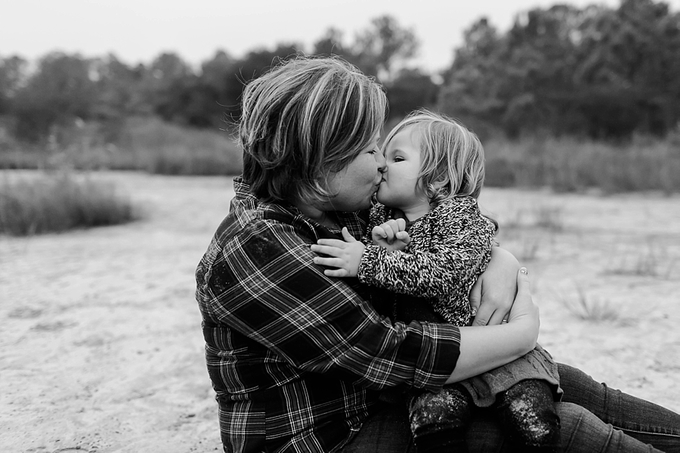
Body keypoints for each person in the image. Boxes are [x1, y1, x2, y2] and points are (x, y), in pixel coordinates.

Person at [194, 55, 680, 453]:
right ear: (321, 161)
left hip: (385, 396)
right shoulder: (255, 247)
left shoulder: (341, 211)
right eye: (368, 150)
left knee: (575, 389)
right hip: (325, 437)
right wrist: (522, 333)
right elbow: (393, 353)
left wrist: (498, 259)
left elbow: (446, 237)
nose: (382, 162)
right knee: (564, 429)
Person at [310, 109, 561, 452]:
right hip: (440, 363)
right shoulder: (381, 216)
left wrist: (368, 260)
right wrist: (383, 249)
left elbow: (441, 274)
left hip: (495, 352)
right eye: (382, 155)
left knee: (533, 422)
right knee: (432, 426)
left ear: (438, 178)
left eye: (397, 158)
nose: (382, 165)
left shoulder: (459, 216)